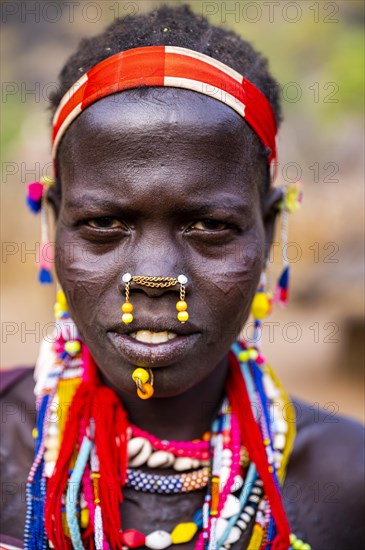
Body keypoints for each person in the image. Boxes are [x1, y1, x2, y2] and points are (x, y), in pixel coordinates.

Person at [1, 4, 364, 550]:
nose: (153, 278)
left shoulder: (346, 482)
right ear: (55, 223)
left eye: (210, 225)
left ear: (267, 230)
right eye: (103, 223)